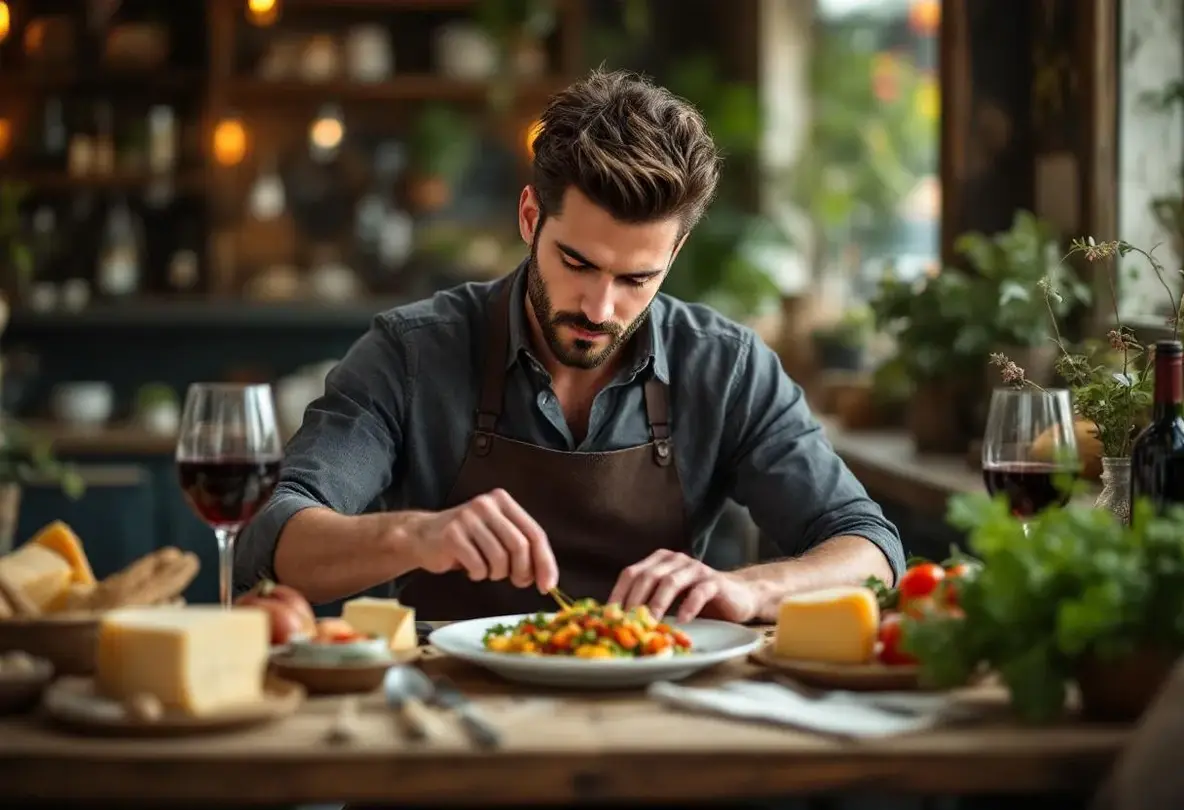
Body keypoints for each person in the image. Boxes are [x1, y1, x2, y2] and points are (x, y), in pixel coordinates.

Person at [234, 69, 904, 622]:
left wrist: (753, 590)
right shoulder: (413, 354)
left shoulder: (725, 366)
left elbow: (870, 550)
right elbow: (272, 535)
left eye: (637, 278)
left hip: (656, 730)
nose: (600, 307)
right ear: (531, 217)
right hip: (449, 732)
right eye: (578, 263)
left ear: (676, 252)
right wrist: (416, 534)